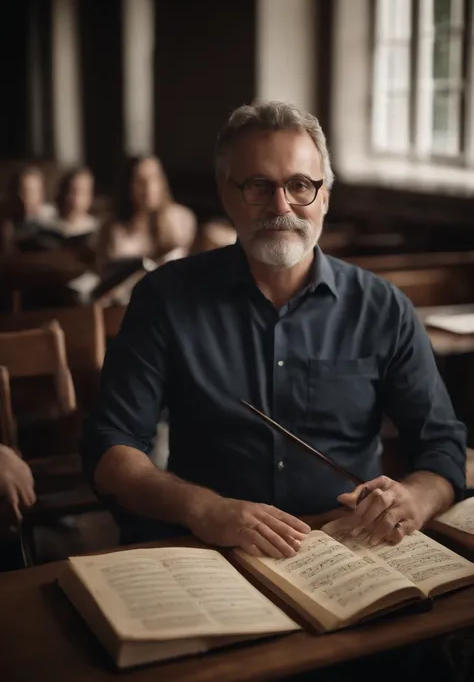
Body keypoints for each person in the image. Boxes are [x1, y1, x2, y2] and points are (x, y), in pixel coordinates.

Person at [82, 100, 465, 558]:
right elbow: (111, 448)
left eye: (300, 185)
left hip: (346, 548)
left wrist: (416, 498)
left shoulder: (385, 308)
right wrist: (205, 509)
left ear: (324, 196)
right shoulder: (164, 298)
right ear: (227, 194)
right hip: (208, 547)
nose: (281, 206)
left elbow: (441, 445)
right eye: (259, 187)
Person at [97, 155, 197, 271]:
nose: (148, 188)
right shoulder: (112, 227)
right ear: (128, 185)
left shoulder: (180, 218)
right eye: (140, 181)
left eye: (154, 179)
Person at [0, 165, 56, 254]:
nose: (27, 197)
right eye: (22, 191)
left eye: (32, 191)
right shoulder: (7, 222)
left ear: (42, 193)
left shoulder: (54, 218)